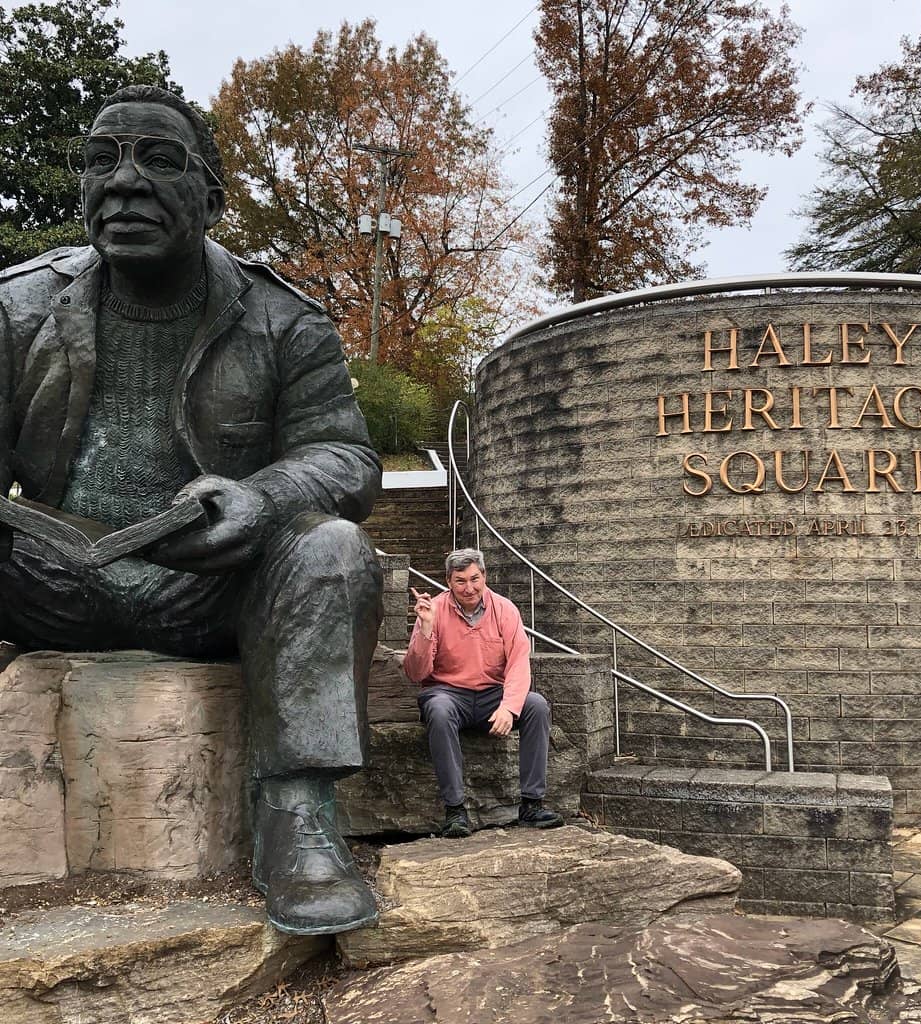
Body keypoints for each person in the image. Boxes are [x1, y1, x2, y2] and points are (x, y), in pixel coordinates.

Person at [0, 85, 383, 935]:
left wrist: (264, 497)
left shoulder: (286, 321)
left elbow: (347, 458)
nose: (124, 182)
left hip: (208, 591)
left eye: (157, 161)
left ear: (211, 196)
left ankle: (298, 820)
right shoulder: (16, 308)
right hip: (50, 580)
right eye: (102, 159)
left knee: (334, 548)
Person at [403, 548, 564, 837]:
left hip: (493, 695)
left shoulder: (505, 609)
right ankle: (454, 811)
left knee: (536, 705)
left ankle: (531, 804)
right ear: (449, 581)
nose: (469, 588)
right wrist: (425, 629)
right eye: (461, 581)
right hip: (449, 694)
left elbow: (518, 662)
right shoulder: (433, 610)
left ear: (484, 576)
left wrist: (509, 707)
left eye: (475, 578)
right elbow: (416, 672)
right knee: (438, 709)